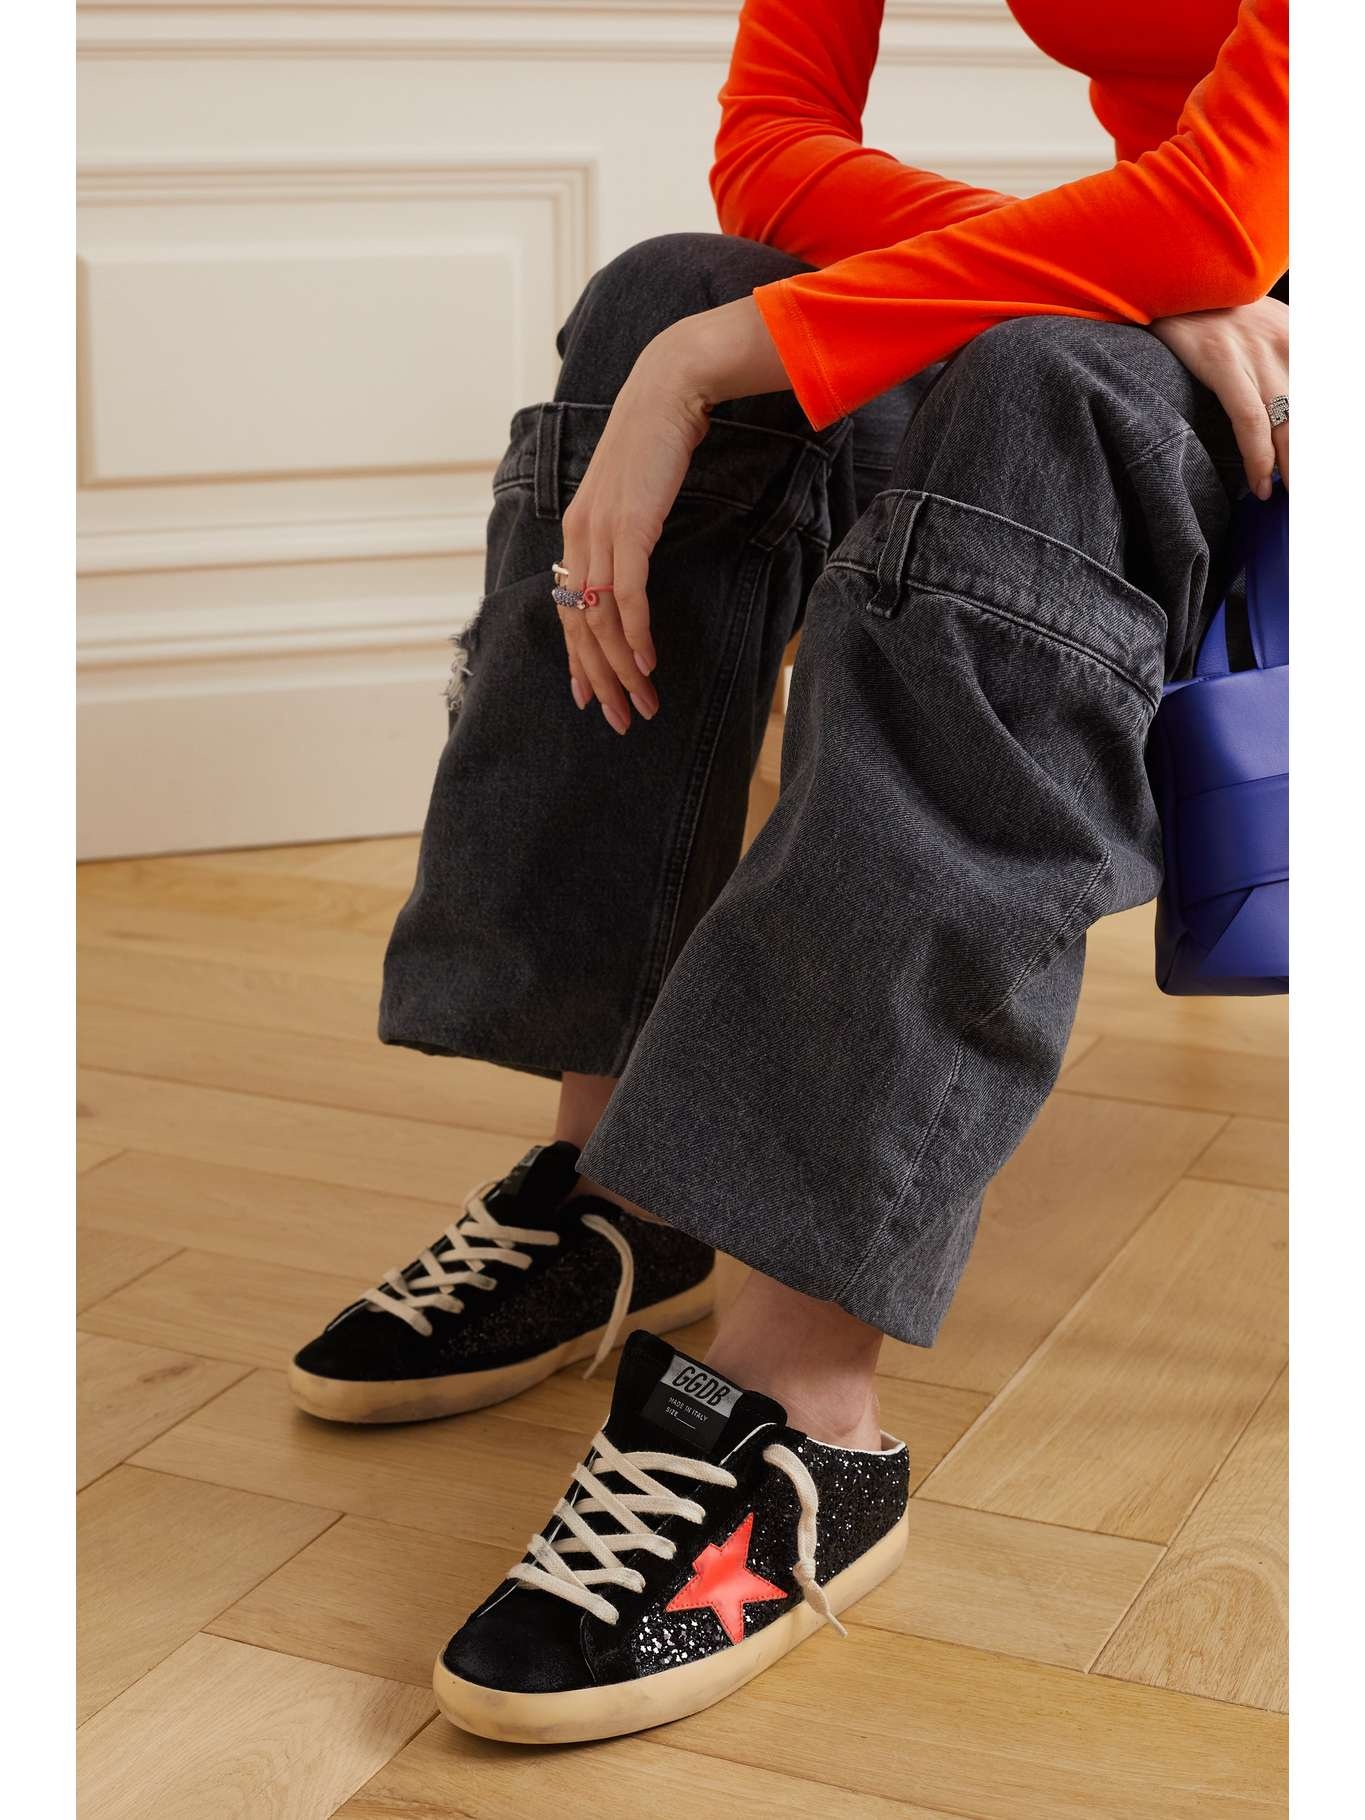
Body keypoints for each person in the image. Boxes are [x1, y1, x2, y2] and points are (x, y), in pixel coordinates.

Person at [290, 0, 1288, 1745]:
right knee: (664, 293)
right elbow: (768, 151)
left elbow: (1221, 203)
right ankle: (622, 1188)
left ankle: (801, 1407)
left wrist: (1147, 260)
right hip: (1198, 314)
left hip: (1266, 373)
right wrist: (1123, 262)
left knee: (1034, 390)